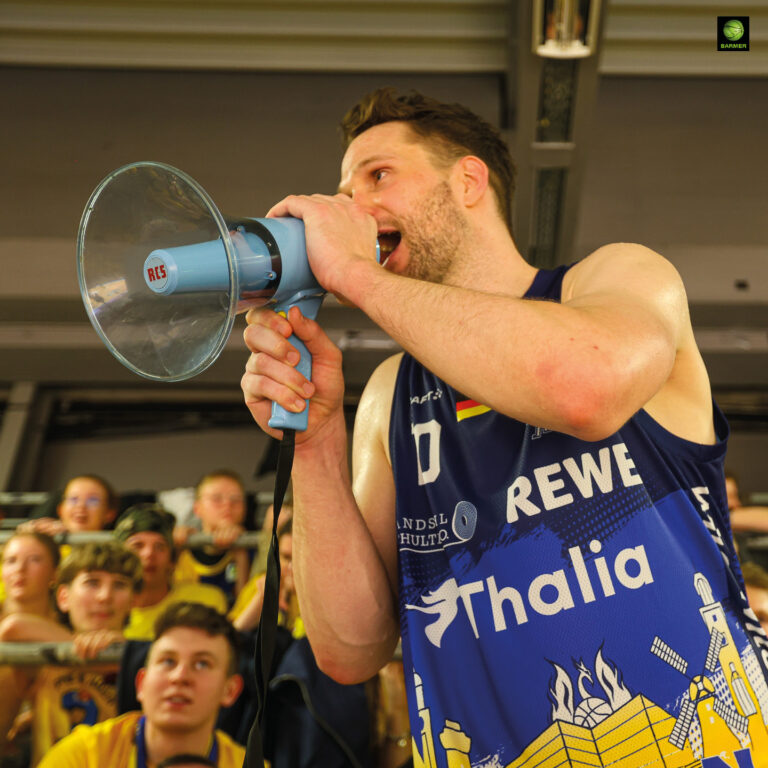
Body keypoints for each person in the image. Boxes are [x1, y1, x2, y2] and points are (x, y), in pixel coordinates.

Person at [240, 87, 768, 766]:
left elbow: (584, 387)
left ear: (467, 181)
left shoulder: (615, 277)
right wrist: (315, 442)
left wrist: (350, 273)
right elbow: (349, 649)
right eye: (343, 191)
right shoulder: (390, 392)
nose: (351, 209)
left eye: (378, 176)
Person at [37, 602, 245, 768]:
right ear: (141, 684)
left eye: (202, 664)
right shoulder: (85, 756)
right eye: (168, 661)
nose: (180, 676)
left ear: (230, 691)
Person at [0, 541, 141, 764]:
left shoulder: (146, 653)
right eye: (92, 583)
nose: (105, 596)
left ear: (133, 601)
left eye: (120, 585)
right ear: (63, 597)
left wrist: (128, 654)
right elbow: (13, 628)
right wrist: (87, 653)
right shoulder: (45, 654)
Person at [115, 503, 228, 640]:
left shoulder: (205, 601)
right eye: (137, 546)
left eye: (160, 546)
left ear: (172, 560)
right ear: (119, 556)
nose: (149, 554)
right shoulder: (102, 608)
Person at [174, 470, 250, 605]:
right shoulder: (182, 546)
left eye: (236, 499)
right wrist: (175, 548)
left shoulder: (257, 547)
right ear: (197, 508)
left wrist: (240, 553)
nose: (228, 505)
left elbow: (245, 609)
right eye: (217, 499)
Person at [1, 531, 60, 619]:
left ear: (55, 573)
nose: (19, 568)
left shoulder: (69, 625)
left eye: (34, 560)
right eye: (11, 560)